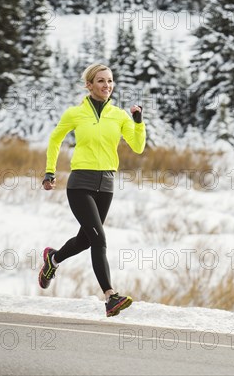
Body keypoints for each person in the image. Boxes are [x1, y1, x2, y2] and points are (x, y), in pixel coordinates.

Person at [38, 63, 145, 317]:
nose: (106, 85)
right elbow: (55, 139)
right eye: (100, 81)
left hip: (106, 185)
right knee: (99, 239)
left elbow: (138, 146)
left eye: (109, 81)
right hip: (80, 184)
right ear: (89, 85)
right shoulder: (75, 113)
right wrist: (50, 172)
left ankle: (53, 259)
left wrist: (138, 121)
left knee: (85, 240)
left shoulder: (119, 115)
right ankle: (110, 297)